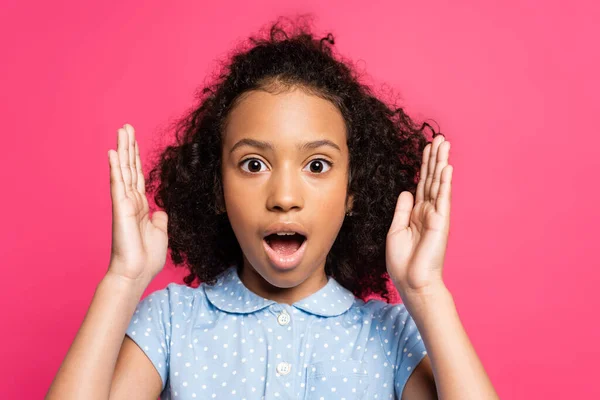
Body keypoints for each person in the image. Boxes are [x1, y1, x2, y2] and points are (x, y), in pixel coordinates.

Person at [46, 15, 498, 400]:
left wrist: (425, 292)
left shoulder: (392, 335)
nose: (284, 196)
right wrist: (124, 278)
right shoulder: (170, 322)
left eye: (317, 165)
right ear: (216, 187)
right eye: (254, 163)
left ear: (352, 189)